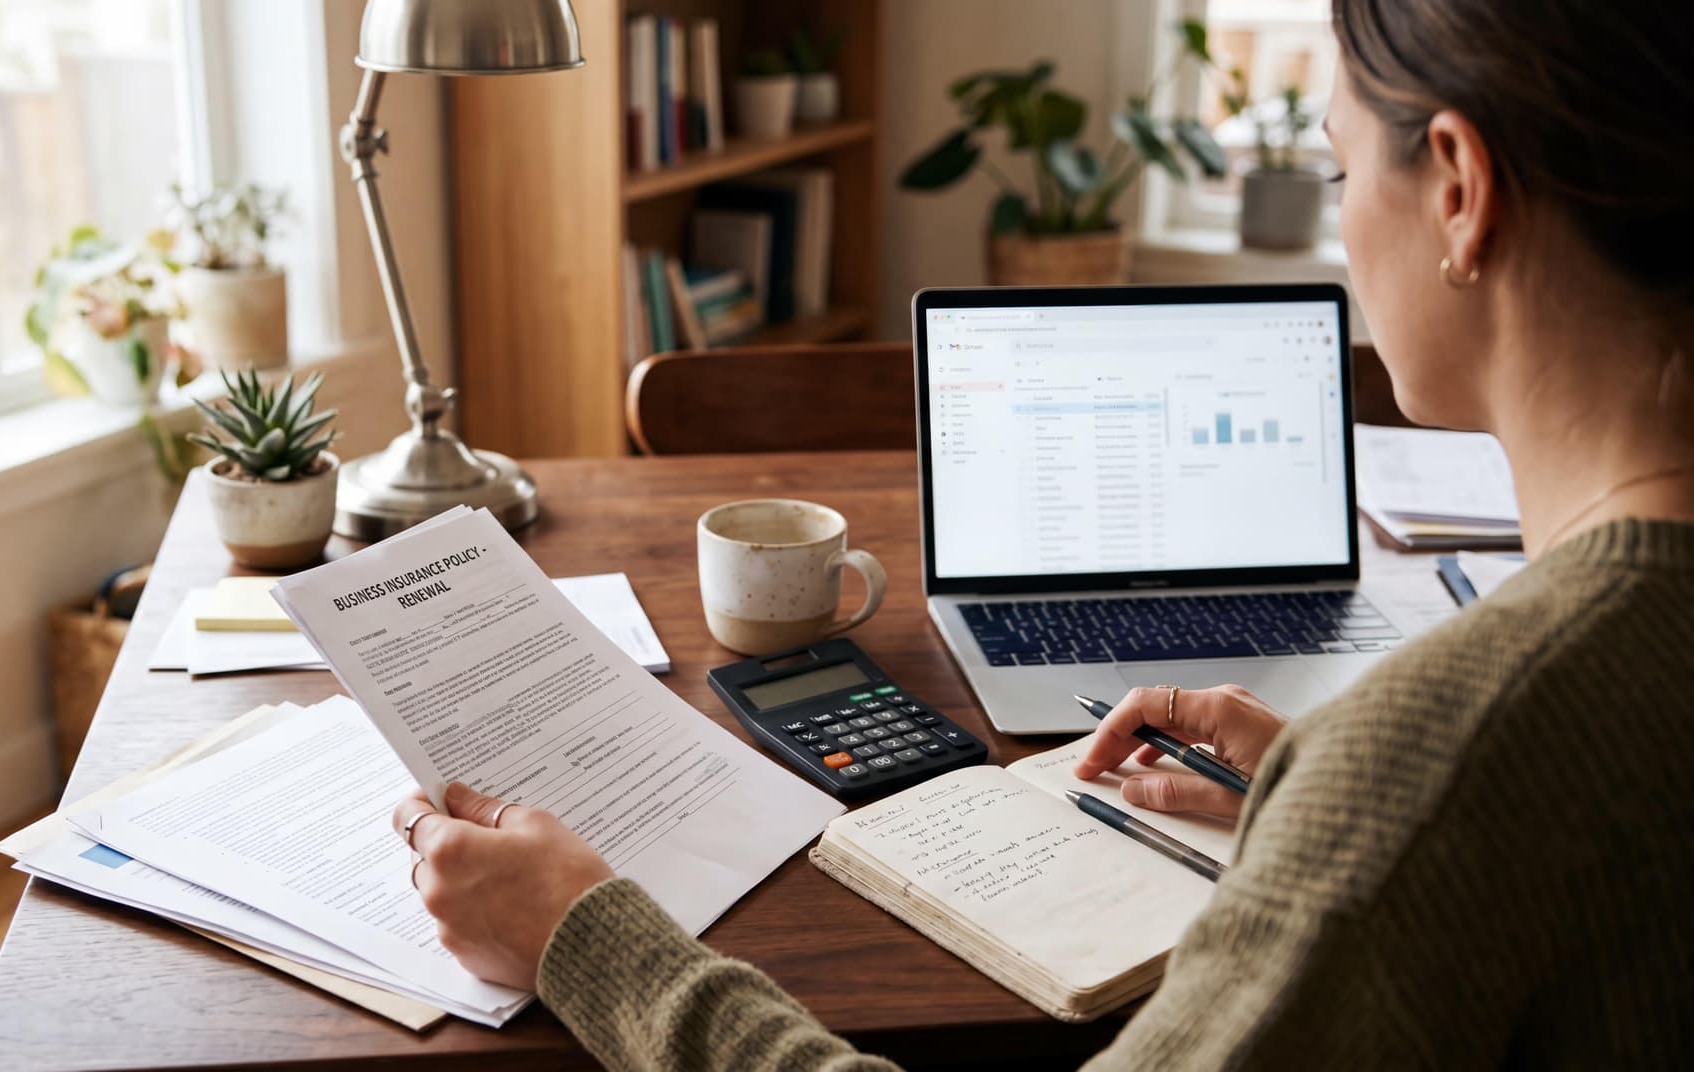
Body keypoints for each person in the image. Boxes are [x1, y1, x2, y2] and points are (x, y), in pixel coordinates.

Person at [391, 0, 1694, 1066]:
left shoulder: (1447, 753)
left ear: (1459, 187)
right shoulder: (1479, 755)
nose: (1347, 227)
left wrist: (586, 933)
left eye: (1344, 171)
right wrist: (1332, 817)